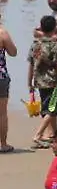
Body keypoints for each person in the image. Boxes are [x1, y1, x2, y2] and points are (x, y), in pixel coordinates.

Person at [28, 14, 57, 148]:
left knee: (47, 107)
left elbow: (31, 64)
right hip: (53, 82)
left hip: (39, 81)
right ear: (54, 28)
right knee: (51, 110)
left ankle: (55, 135)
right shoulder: (55, 45)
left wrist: (29, 82)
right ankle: (38, 135)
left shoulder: (35, 45)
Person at [0, 17, 18, 153]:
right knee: (2, 113)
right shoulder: (2, 33)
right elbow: (13, 52)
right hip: (1, 77)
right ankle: (3, 144)